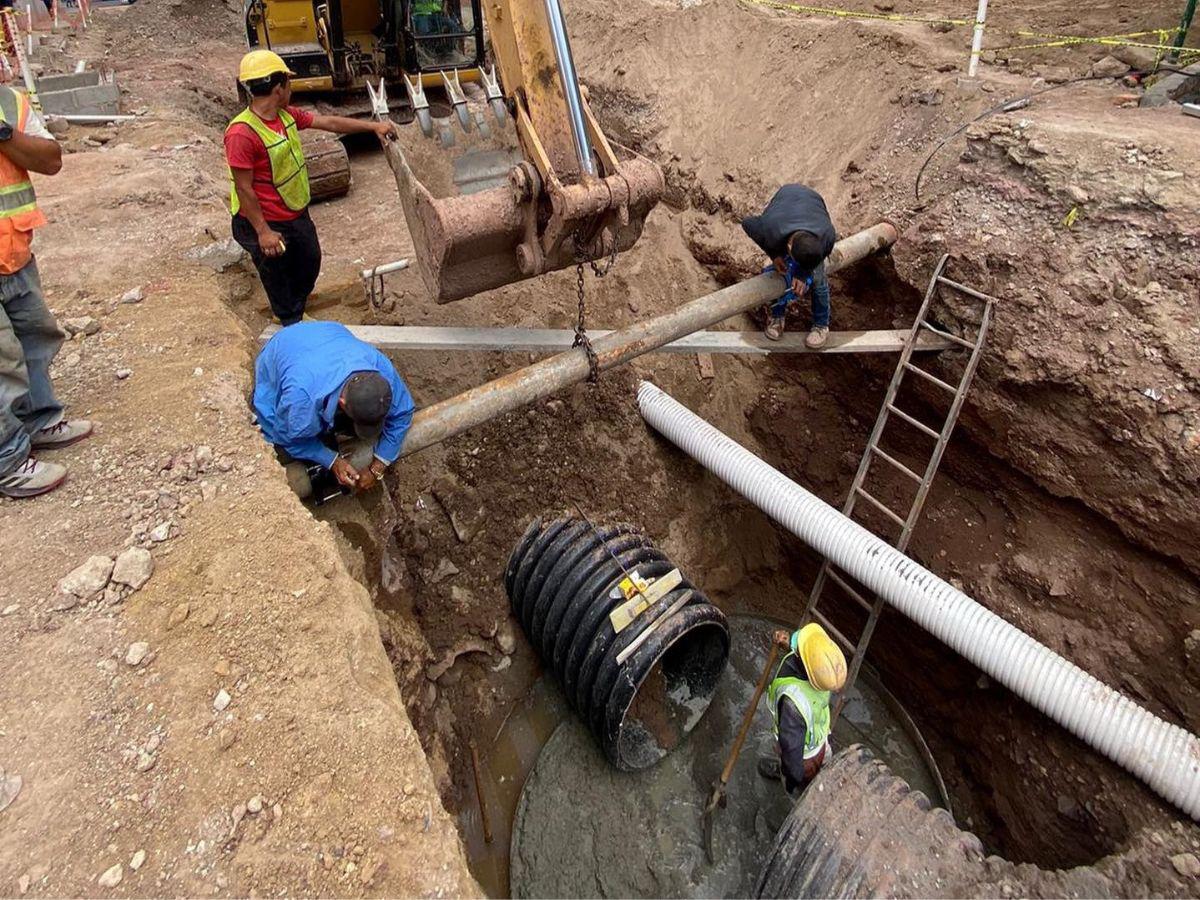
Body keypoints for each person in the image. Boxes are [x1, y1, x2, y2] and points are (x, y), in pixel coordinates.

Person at [225, 50, 393, 326]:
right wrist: (264, 232)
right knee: (277, 274)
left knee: (309, 259)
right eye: (289, 83)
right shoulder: (241, 133)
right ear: (279, 88)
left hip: (292, 210)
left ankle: (297, 310)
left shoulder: (285, 116)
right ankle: (291, 323)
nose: (291, 88)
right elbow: (244, 188)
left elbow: (328, 122)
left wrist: (372, 127)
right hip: (264, 220)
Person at [0, 79, 94, 499]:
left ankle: (40, 419)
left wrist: (3, 132)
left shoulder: (9, 101)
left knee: (37, 339)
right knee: (3, 365)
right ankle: (8, 462)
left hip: (15, 250)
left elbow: (51, 160)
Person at [253, 321, 414, 495]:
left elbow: (403, 413)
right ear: (342, 402)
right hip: (281, 352)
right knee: (280, 432)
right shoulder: (302, 399)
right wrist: (332, 461)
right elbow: (290, 438)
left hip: (326, 333)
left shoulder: (380, 367)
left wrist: (378, 466)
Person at [741, 184, 838, 348]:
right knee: (779, 274)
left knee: (819, 279)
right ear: (790, 247)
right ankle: (777, 317)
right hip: (786, 198)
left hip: (812, 202)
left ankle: (821, 325)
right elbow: (747, 223)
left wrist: (801, 274)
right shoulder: (768, 228)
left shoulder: (827, 236)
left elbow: (811, 262)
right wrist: (775, 256)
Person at [758, 622, 847, 795]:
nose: (795, 646)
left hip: (804, 760)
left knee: (799, 785)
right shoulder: (822, 675)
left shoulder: (793, 704)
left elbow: (792, 752)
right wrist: (786, 644)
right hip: (821, 741)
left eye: (797, 648)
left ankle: (794, 790)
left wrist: (792, 776)